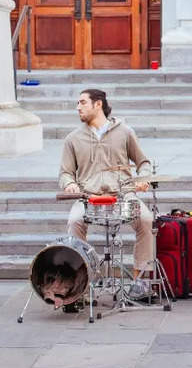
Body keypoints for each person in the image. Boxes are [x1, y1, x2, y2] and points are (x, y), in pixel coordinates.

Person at [58, 89, 155, 302]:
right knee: (74, 222)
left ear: (98, 104)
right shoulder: (73, 138)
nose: (78, 107)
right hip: (88, 196)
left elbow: (143, 162)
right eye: (77, 103)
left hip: (123, 195)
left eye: (82, 102)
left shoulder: (125, 131)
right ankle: (79, 283)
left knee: (146, 219)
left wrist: (143, 179)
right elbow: (65, 172)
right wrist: (71, 184)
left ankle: (139, 282)